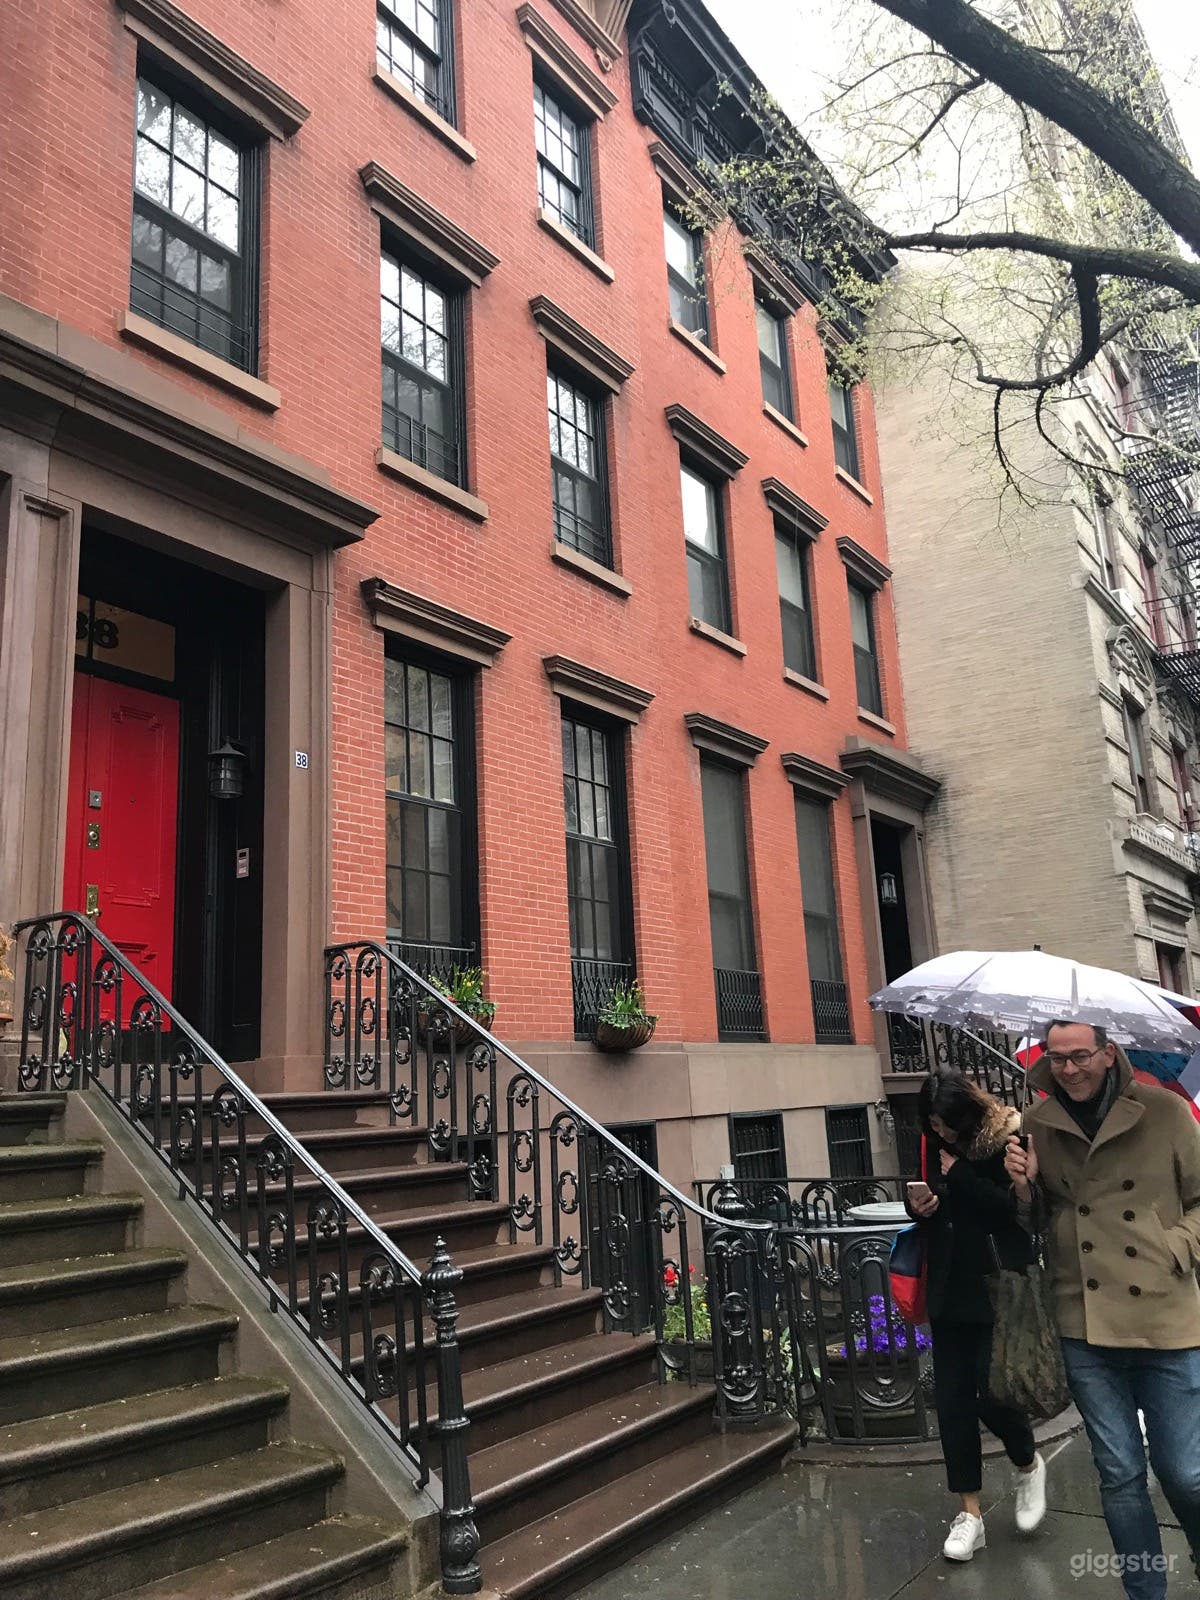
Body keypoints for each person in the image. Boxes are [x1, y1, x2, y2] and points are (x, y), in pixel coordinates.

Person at [1005, 1021, 1200, 1600]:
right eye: (1058, 1059)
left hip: (1166, 1317)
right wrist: (1024, 1189)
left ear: (1108, 1053)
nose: (1070, 1069)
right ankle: (1147, 1593)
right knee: (1119, 1474)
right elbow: (1031, 1228)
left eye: (1081, 1056)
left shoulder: (1164, 1111)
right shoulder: (1035, 1124)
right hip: (1083, 1322)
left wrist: (1177, 1247)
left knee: (1186, 1472)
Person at [907, 1070, 1047, 1561]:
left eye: (946, 1123)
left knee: (994, 1393)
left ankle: (1028, 1463)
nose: (938, 1132)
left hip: (995, 1284)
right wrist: (920, 1206)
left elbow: (1013, 1215)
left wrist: (961, 1173)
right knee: (952, 1404)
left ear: (966, 1114)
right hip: (948, 1285)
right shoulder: (932, 1142)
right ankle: (969, 1513)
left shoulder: (1006, 1138)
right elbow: (936, 1205)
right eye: (931, 1123)